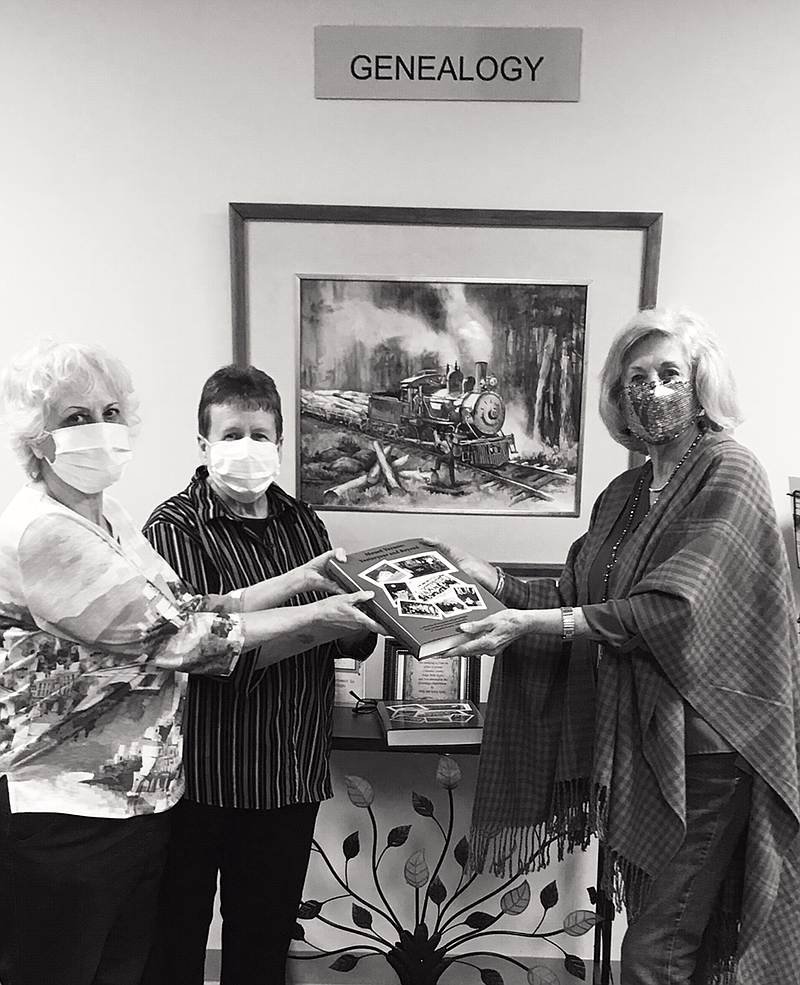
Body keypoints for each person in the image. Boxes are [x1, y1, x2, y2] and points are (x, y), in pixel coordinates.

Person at [436, 308, 800, 984]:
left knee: (656, 946)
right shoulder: (622, 494)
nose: (653, 391)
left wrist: (535, 626)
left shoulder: (731, 471)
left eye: (670, 374)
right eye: (637, 378)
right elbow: (576, 599)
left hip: (711, 750)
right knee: (662, 936)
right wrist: (492, 579)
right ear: (618, 396)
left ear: (701, 385)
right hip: (641, 745)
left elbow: (671, 608)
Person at [0, 340, 379, 985]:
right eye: (75, 417)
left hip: (140, 801)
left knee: (134, 965)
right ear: (38, 440)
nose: (101, 429)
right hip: (68, 811)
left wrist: (301, 579)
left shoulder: (108, 517)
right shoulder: (47, 533)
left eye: (111, 411)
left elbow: (191, 602)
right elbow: (182, 638)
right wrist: (317, 617)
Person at [140, 365, 377, 985]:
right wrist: (316, 620)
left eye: (260, 434)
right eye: (232, 433)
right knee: (174, 945)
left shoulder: (303, 523)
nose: (247, 448)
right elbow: (208, 652)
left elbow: (343, 638)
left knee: (263, 948)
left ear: (279, 443)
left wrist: (371, 616)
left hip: (286, 772)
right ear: (203, 444)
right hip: (198, 778)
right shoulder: (170, 530)